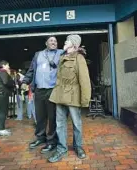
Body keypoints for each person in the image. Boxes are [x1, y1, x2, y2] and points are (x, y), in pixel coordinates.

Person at [48, 34, 91, 163]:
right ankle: (62, 149)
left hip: (73, 96)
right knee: (60, 124)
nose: (64, 42)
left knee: (77, 123)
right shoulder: (62, 57)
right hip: (60, 95)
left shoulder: (79, 58)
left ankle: (78, 147)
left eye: (67, 41)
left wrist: (85, 100)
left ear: (74, 44)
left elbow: (84, 80)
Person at [22, 36, 64, 153]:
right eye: (51, 41)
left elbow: (72, 51)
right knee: (40, 116)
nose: (53, 42)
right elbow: (31, 70)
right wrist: (25, 81)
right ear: (46, 43)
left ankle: (51, 141)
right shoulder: (38, 54)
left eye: (55, 41)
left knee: (52, 117)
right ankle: (40, 137)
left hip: (53, 90)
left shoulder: (61, 53)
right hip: (39, 90)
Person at [0, 60, 15, 136]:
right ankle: (1, 129)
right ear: (3, 65)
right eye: (7, 65)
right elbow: (6, 82)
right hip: (2, 94)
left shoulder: (2, 72)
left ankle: (2, 128)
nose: (8, 66)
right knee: (2, 112)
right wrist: (12, 82)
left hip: (2, 94)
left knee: (3, 111)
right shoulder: (3, 72)